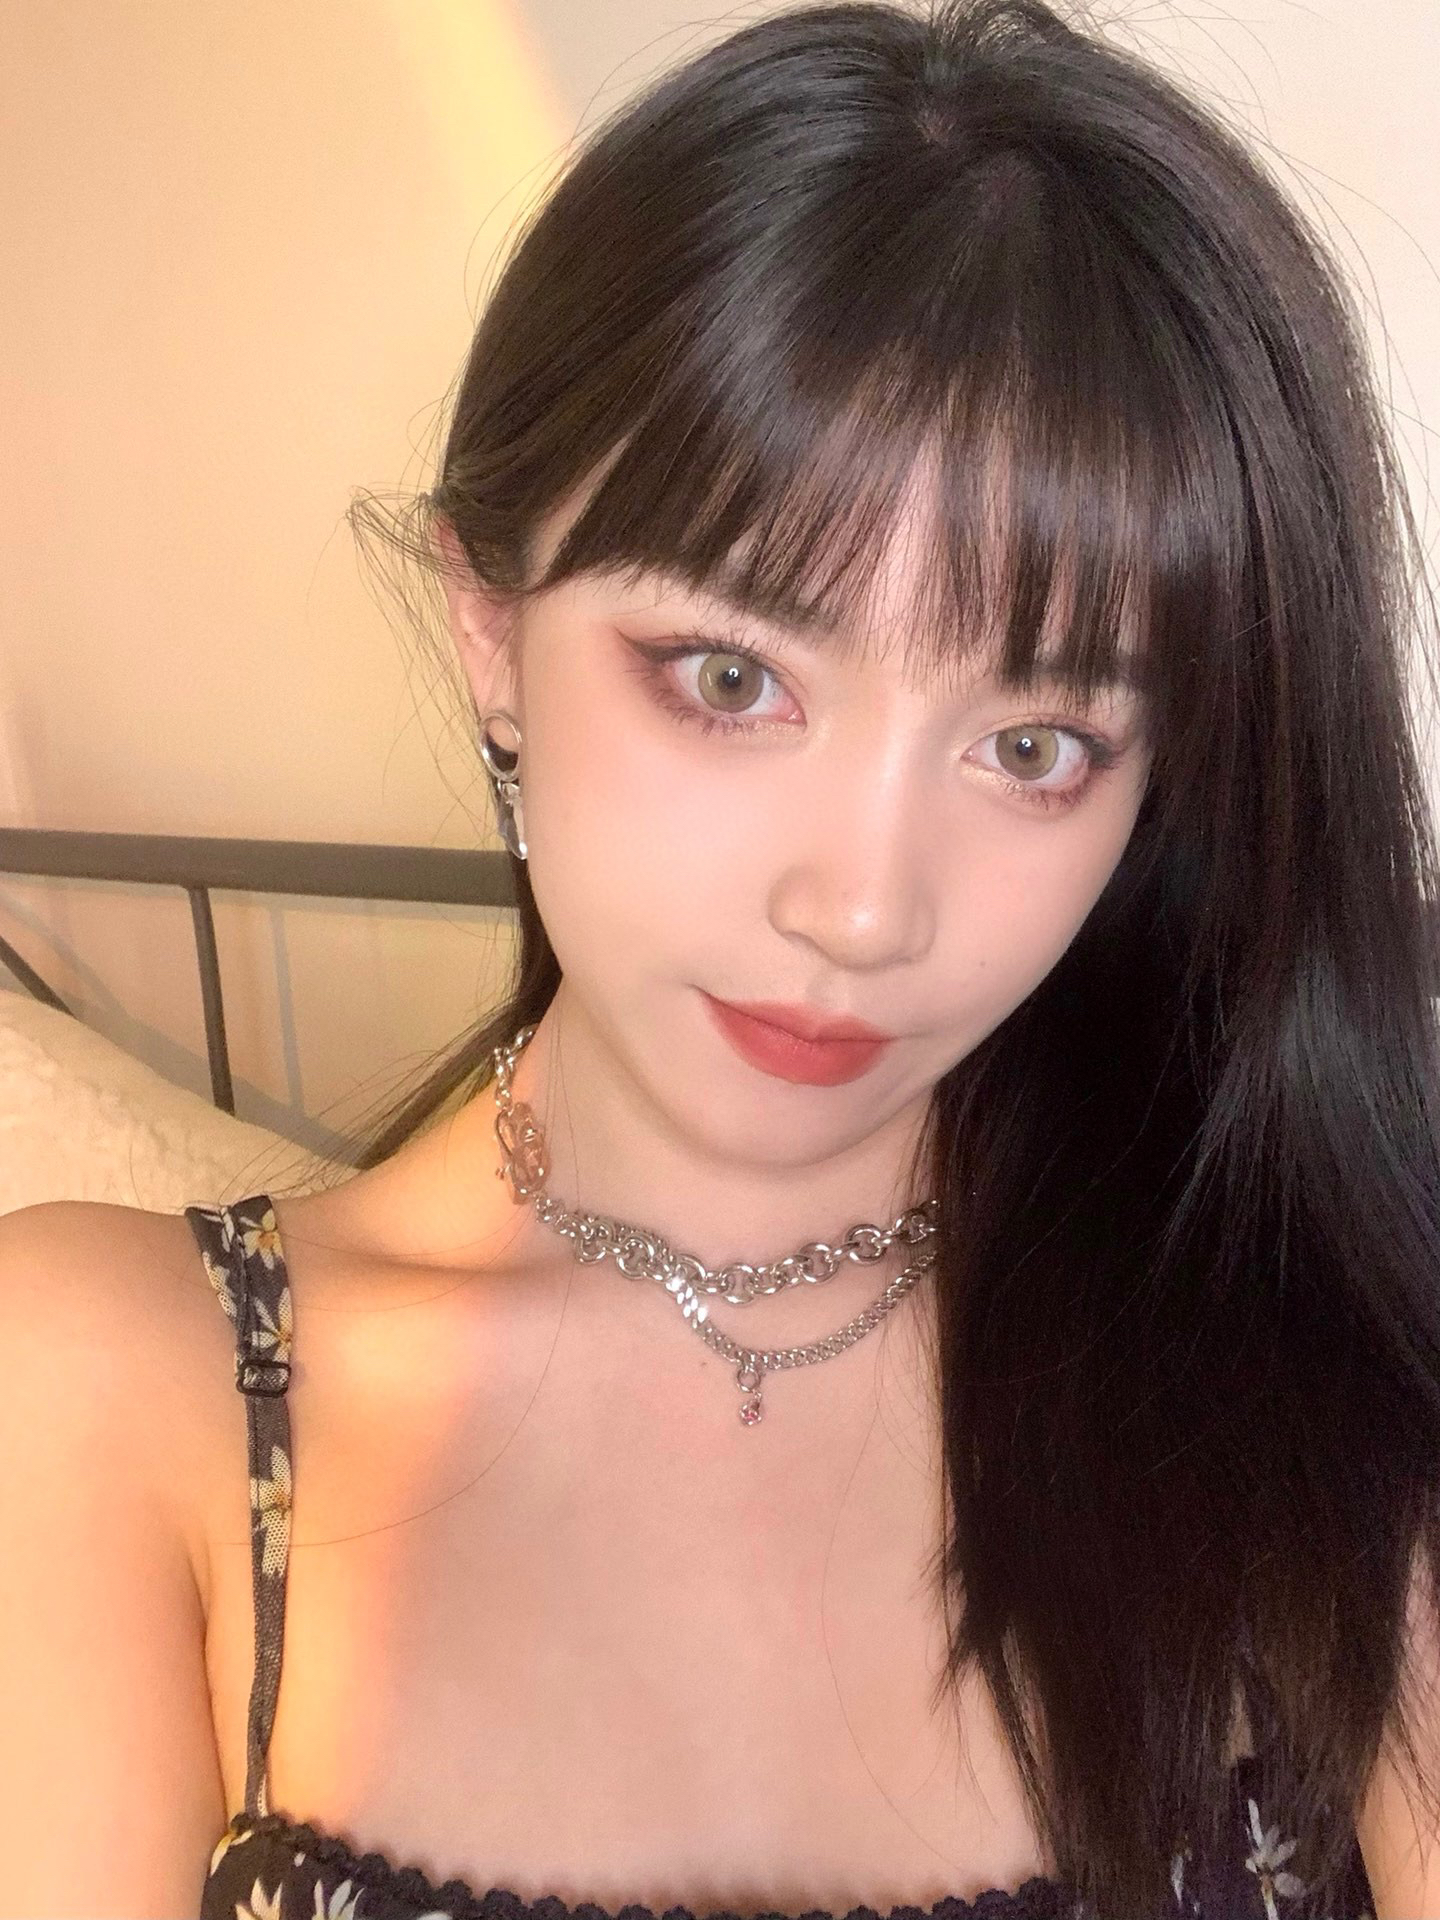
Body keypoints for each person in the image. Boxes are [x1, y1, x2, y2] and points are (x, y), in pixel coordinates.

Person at [4, 0, 1439, 1914]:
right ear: (493, 632)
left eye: (1034, 746)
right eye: (734, 678)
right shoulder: (117, 1392)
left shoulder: (1314, 1366)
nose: (863, 909)